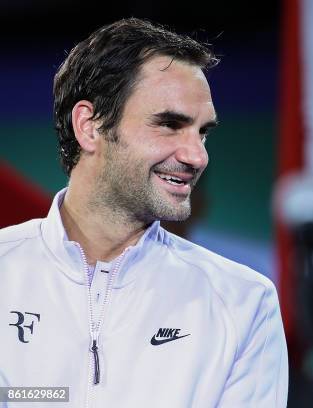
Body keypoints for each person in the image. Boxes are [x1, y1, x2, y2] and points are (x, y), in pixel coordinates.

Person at [0, 18, 287, 407]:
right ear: (89, 126)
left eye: (203, 132)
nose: (197, 156)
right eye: (170, 124)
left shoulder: (243, 301)